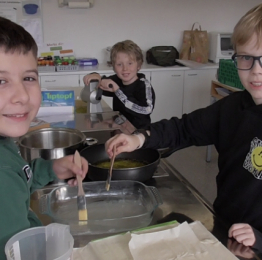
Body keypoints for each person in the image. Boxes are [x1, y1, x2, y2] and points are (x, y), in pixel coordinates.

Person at [105, 4, 262, 250]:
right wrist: (140, 138)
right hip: (224, 227)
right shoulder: (231, 108)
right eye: (246, 58)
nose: (256, 71)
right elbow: (183, 128)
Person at [0, 17, 88, 259]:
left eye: (28, 78)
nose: (21, 96)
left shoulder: (4, 141)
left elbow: (21, 180)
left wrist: (52, 170)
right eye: (1, 81)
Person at [83, 40, 155, 129]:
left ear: (139, 65)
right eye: (119, 64)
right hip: (119, 129)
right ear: (113, 67)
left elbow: (146, 110)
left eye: (130, 63)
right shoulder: (117, 80)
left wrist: (118, 91)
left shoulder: (144, 85)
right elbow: (102, 82)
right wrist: (95, 76)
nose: (125, 68)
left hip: (139, 134)